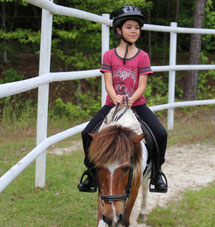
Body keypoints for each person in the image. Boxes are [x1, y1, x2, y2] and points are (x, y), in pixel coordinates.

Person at [78, 5, 168, 193]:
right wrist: (114, 96)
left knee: (160, 134)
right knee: (87, 133)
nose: (134, 30)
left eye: (137, 27)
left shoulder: (143, 56)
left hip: (137, 106)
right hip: (112, 105)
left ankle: (157, 173)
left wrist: (131, 99)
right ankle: (91, 173)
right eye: (129, 27)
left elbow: (142, 85)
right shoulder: (109, 55)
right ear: (118, 30)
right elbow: (108, 82)